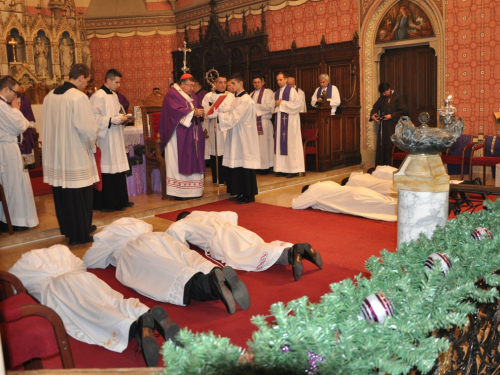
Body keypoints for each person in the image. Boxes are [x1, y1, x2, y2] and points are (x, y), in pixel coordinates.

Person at [9, 244, 181, 367]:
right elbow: (81, 265)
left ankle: (136, 328)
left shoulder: (25, 266)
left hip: (59, 289)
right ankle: (146, 313)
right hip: (86, 279)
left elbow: (13, 288)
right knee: (114, 301)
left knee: (96, 313)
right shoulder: (61, 251)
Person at [83, 217, 250, 314]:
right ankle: (215, 273)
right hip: (157, 238)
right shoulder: (134, 222)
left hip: (134, 252)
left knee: (167, 272)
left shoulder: (111, 233)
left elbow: (90, 259)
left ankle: (209, 286)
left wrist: (108, 257)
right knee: (185, 257)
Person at [167, 211, 323, 281]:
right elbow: (232, 214)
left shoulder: (182, 223)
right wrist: (229, 228)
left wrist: (184, 246)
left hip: (220, 239)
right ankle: (296, 249)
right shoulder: (205, 213)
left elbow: (173, 233)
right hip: (236, 230)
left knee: (247, 257)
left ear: (180, 218)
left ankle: (291, 253)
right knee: (258, 246)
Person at [42, 63, 98, 246]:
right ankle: (80, 234)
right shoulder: (78, 98)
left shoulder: (50, 96)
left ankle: (68, 229)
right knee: (80, 196)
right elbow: (87, 128)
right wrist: (92, 145)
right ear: (81, 77)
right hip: (75, 154)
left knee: (63, 196)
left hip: (57, 156)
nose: (86, 85)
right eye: (87, 81)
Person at [208, 74, 259, 204]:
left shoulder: (246, 99)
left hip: (244, 136)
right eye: (229, 84)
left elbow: (235, 117)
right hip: (236, 134)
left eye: (232, 84)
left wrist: (219, 116)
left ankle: (249, 194)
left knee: (244, 164)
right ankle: (240, 192)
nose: (229, 86)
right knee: (237, 164)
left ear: (240, 83)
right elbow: (231, 115)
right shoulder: (236, 99)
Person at [90, 69, 133, 212]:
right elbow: (93, 118)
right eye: (117, 82)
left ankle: (121, 200)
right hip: (105, 137)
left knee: (118, 167)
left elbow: (116, 114)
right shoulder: (98, 96)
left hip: (116, 135)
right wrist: (111, 120)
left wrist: (123, 117)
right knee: (108, 167)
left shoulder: (114, 96)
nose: (119, 85)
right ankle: (108, 203)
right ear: (108, 80)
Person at [0, 76, 39, 232]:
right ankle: (16, 221)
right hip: (7, 151)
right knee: (14, 185)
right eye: (15, 92)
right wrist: (16, 111)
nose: (16, 96)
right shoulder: (2, 107)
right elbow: (20, 126)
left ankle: (7, 219)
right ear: (6, 89)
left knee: (11, 185)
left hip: (6, 149)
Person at [159, 74, 205, 200]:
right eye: (190, 86)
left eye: (193, 86)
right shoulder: (172, 94)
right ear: (182, 84)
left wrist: (199, 111)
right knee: (178, 159)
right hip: (177, 135)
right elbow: (175, 111)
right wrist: (193, 113)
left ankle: (195, 191)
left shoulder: (192, 96)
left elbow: (197, 107)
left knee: (194, 157)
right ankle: (179, 192)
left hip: (192, 133)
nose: (192, 88)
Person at [291, 181, 398, 222]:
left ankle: (410, 211)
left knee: (384, 206)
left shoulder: (312, 191)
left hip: (354, 199)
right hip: (358, 191)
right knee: (387, 201)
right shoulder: (327, 183)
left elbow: (295, 205)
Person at [202, 75, 233, 184]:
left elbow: (233, 111)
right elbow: (205, 111)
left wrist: (223, 111)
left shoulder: (230, 96)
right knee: (216, 153)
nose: (223, 85)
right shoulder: (209, 96)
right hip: (214, 128)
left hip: (227, 128)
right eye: (220, 82)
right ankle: (217, 178)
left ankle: (227, 179)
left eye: (225, 82)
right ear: (215, 83)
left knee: (227, 152)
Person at [273, 72, 304, 179]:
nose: (279, 82)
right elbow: (273, 107)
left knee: (290, 145)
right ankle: (281, 168)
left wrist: (282, 103)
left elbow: (297, 105)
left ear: (286, 80)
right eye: (277, 80)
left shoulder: (291, 91)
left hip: (290, 122)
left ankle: (293, 169)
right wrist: (275, 104)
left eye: (281, 79)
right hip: (280, 122)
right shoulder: (276, 92)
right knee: (280, 145)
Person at [370, 82, 408, 167]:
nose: (384, 94)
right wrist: (373, 115)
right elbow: (375, 107)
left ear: (389, 89)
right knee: (383, 146)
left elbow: (404, 111)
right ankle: (383, 166)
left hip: (394, 126)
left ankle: (392, 166)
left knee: (390, 146)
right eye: (382, 93)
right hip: (384, 126)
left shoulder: (398, 97)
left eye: (385, 92)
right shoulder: (382, 98)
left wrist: (391, 116)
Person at [250, 76, 274, 174]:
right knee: (255, 145)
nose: (256, 84)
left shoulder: (268, 92)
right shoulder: (250, 95)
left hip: (264, 122)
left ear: (263, 82)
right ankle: (257, 166)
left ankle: (266, 166)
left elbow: (269, 107)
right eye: (255, 82)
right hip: (253, 123)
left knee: (264, 145)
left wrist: (254, 107)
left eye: (258, 82)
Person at [17, 86, 36, 167]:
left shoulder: (25, 99)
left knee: (27, 137)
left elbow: (28, 112)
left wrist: (28, 124)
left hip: (26, 127)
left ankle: (29, 164)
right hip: (15, 128)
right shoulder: (9, 101)